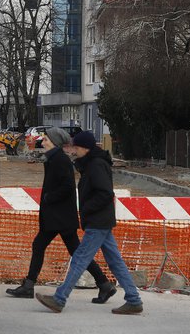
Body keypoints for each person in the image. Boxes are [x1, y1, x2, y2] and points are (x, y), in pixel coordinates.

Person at [35, 131, 144, 315]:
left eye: (76, 147)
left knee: (79, 259)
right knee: (115, 261)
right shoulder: (92, 164)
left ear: (85, 148)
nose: (74, 150)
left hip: (98, 221)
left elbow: (105, 193)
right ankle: (133, 300)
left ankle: (59, 299)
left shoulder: (96, 165)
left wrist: (86, 209)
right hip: (100, 220)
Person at [6, 127, 116, 304]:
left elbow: (67, 188)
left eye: (47, 139)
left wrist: (49, 197)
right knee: (74, 252)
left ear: (55, 142)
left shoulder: (60, 160)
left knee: (49, 247)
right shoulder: (54, 158)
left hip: (60, 217)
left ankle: (29, 285)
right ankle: (103, 284)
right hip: (58, 216)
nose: (43, 141)